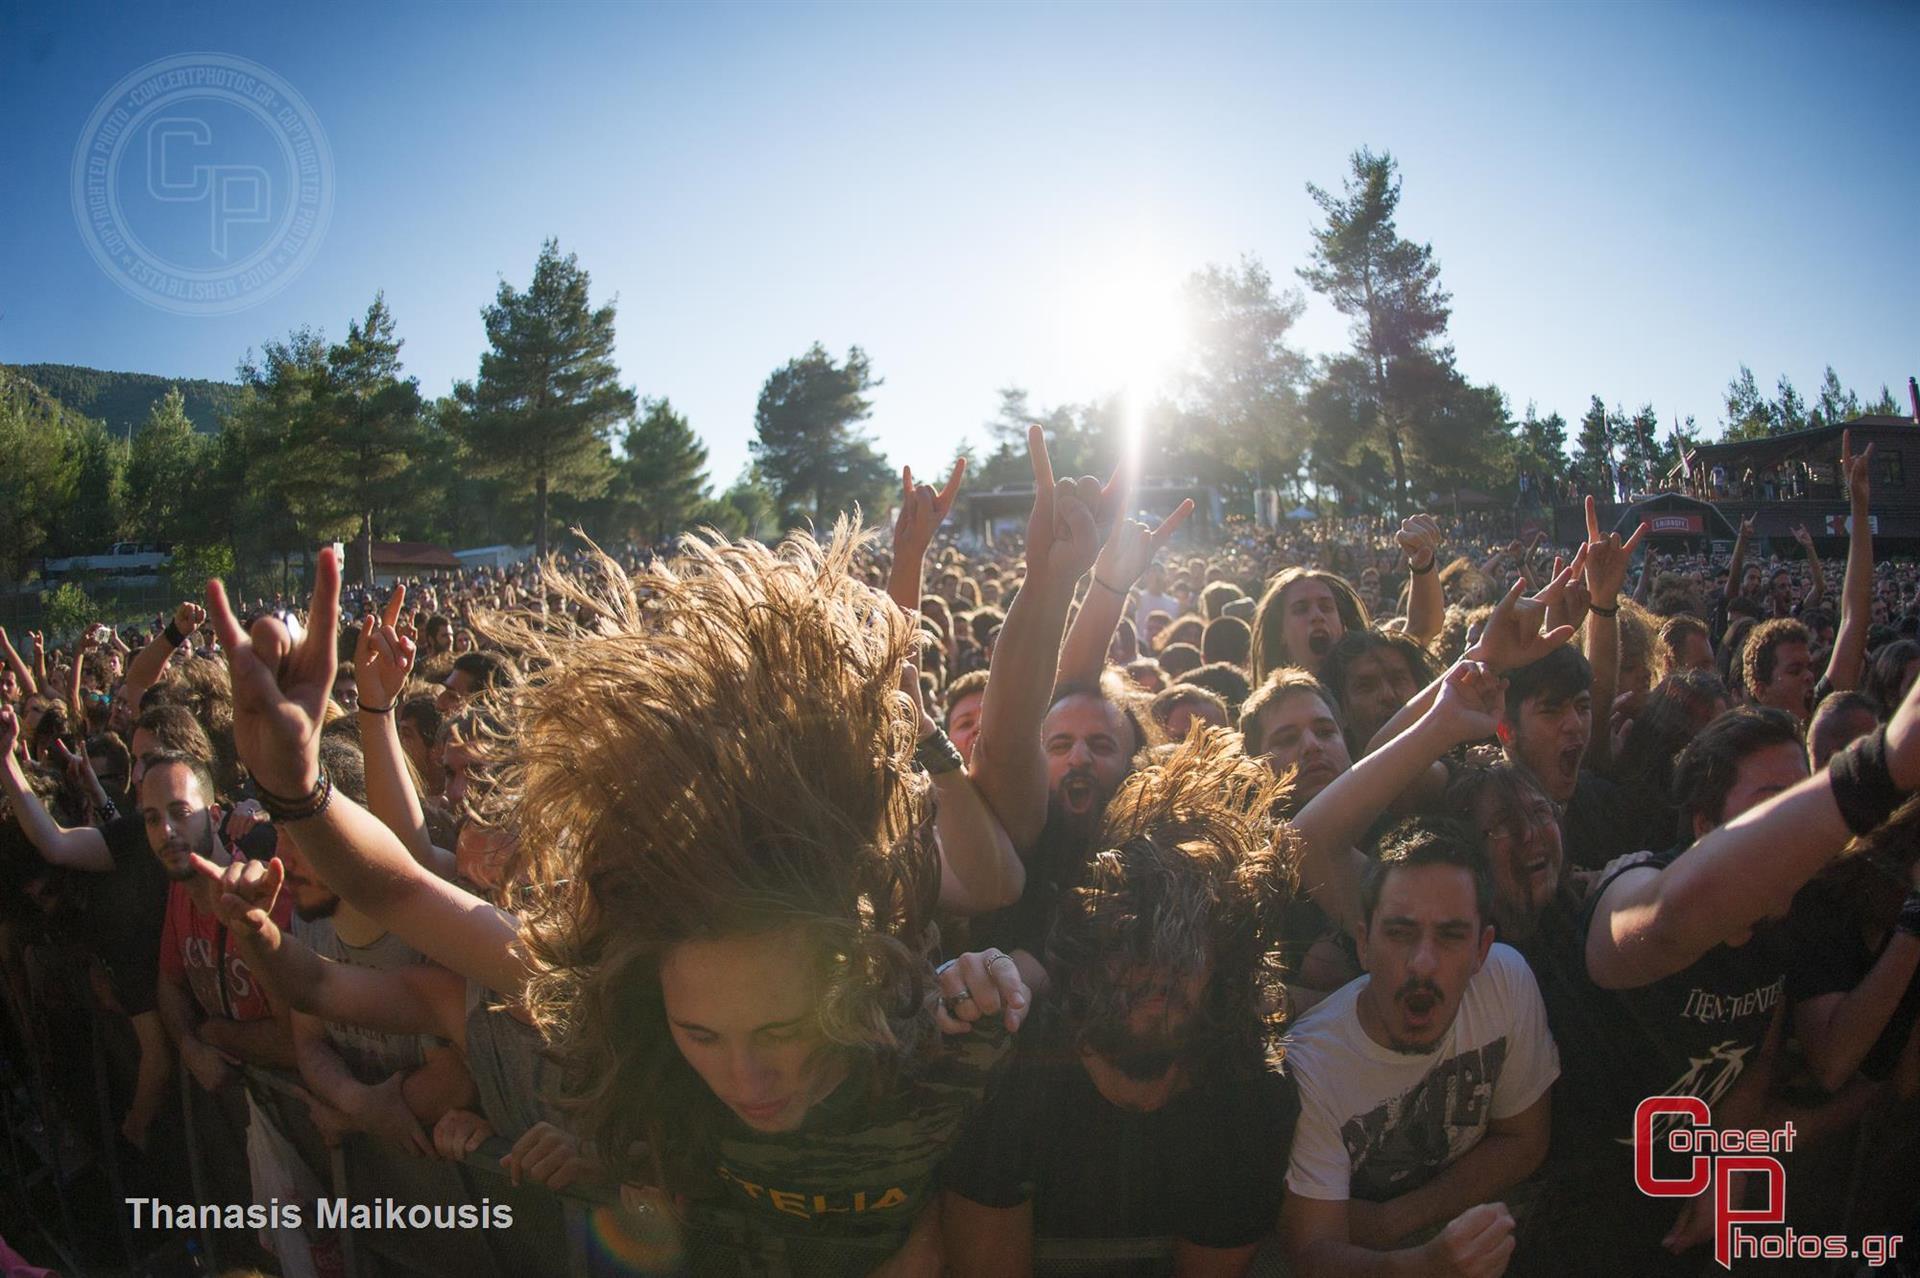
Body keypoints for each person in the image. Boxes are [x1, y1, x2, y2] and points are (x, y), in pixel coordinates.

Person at [201, 533, 1031, 1272]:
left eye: (782, 1031)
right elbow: (406, 888)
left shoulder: (942, 1056)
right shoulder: (623, 1000)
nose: (744, 1077)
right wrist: (296, 789)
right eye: (699, 1034)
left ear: (849, 977)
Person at [942, 729, 1301, 1275]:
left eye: (1185, 956)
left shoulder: (1249, 1091)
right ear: (1092, 945)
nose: (1158, 976)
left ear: (1222, 965)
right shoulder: (1013, 1065)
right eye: (1134, 946)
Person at [1280, 819, 1557, 1278]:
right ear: (1364, 943)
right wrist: (1426, 1266)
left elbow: (1526, 1140)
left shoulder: (1505, 982)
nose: (1423, 963)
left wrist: (1396, 1220)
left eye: (1450, 936)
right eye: (1400, 933)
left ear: (1482, 950)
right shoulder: (1311, 1063)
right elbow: (1312, 1253)